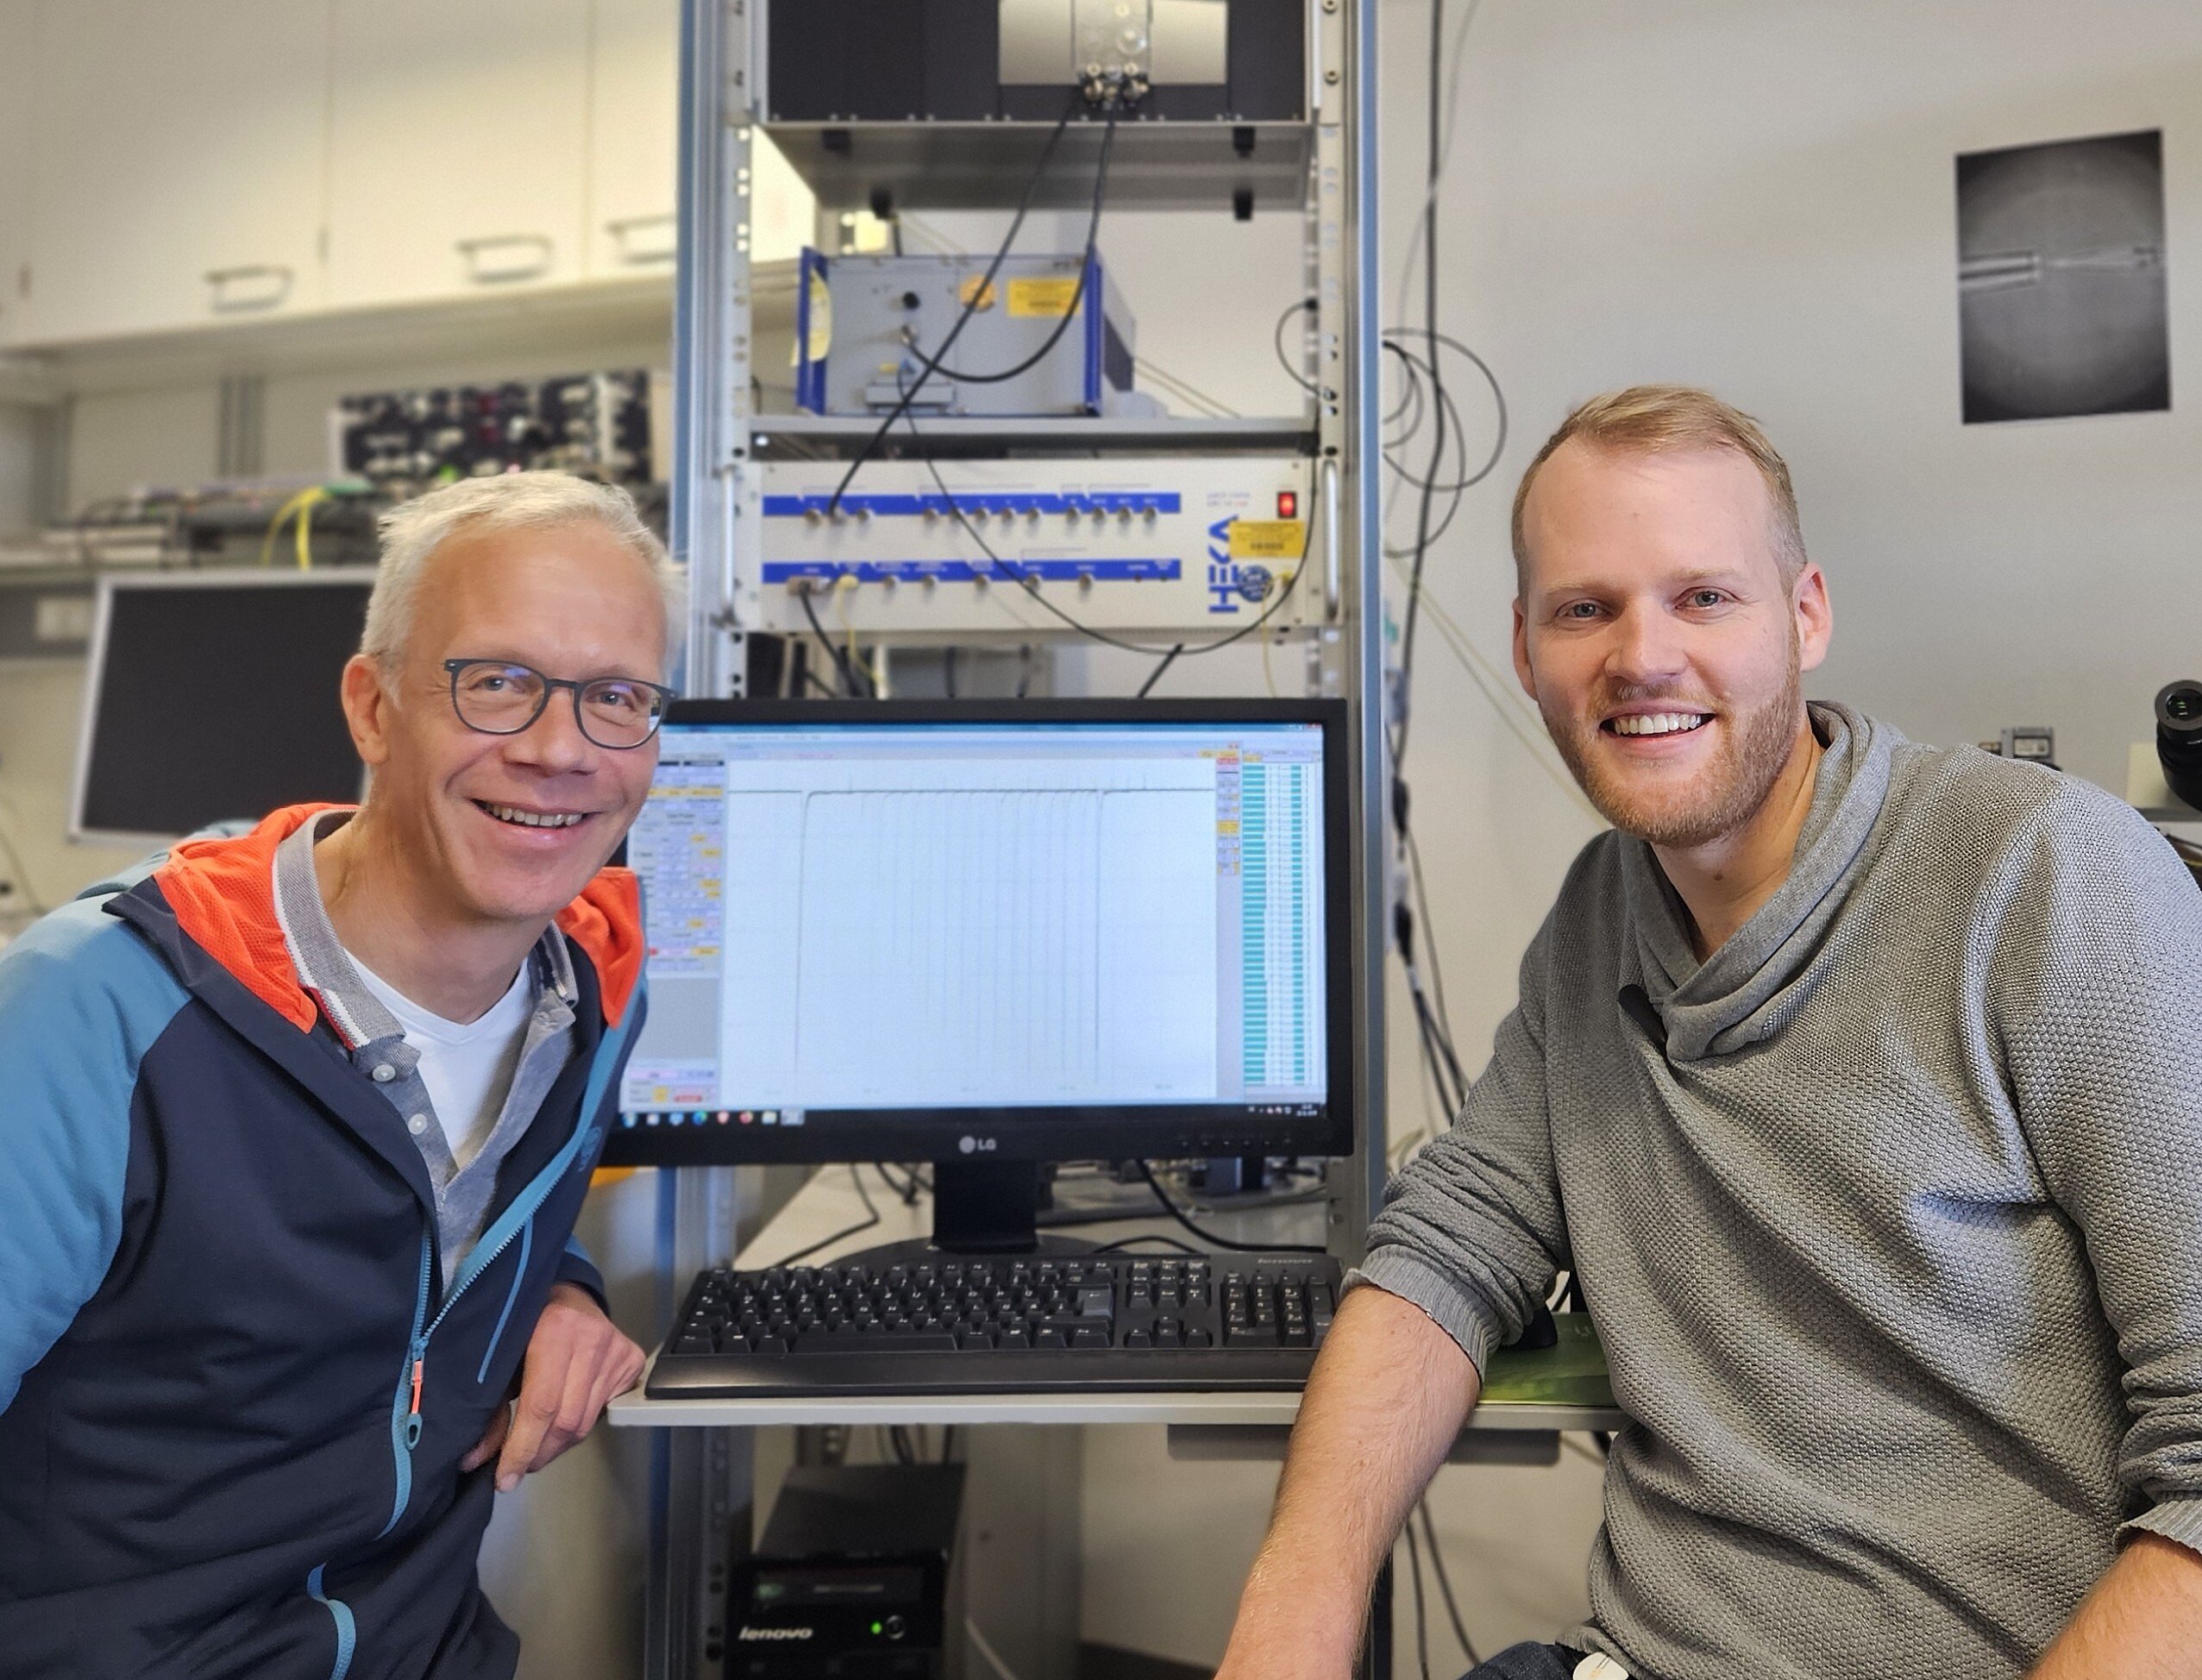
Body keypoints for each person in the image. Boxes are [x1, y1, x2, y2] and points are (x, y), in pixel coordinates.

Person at [1215, 386, 2202, 1680]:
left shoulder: (2049, 877)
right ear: (1524, 646)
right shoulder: (1599, 918)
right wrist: (1291, 1615)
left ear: (1806, 615)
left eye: (1703, 597)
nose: (1641, 658)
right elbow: (1446, 1253)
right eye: (1585, 609)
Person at [0, 472, 680, 1677]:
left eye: (615, 698)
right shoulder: (99, 1008)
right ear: (372, 709)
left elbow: (431, 1211)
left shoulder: (594, 991)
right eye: (498, 682)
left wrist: (561, 1288)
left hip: (427, 1647)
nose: (558, 750)